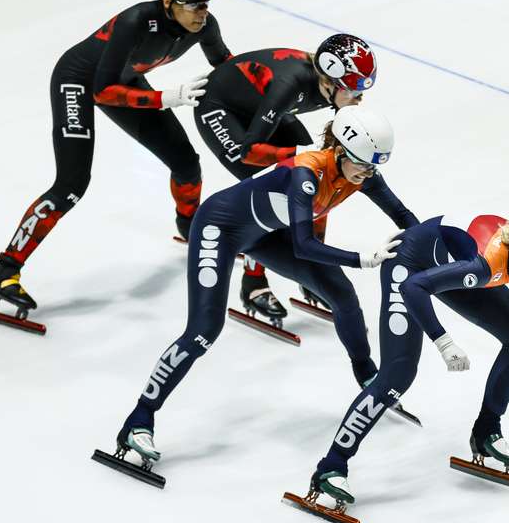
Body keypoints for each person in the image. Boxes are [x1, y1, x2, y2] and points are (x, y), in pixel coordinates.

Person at [106, 106, 417, 471]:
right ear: (341, 152)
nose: (368, 175)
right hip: (219, 229)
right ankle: (139, 420)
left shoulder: (364, 174)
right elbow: (303, 245)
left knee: (343, 296)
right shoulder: (307, 172)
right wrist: (361, 258)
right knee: (204, 330)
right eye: (363, 166)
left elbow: (404, 216)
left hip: (265, 235)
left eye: (374, 168)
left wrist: (432, 250)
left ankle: (367, 375)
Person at [0, 0, 231, 319]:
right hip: (79, 82)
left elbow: (227, 67)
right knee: (71, 184)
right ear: (167, 0)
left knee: (187, 164)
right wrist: (163, 98)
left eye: (206, 4)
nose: (201, 14)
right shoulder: (136, 21)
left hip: (123, 82)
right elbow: (102, 91)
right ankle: (4, 272)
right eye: (193, 5)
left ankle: (189, 227)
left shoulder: (205, 25)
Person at [305, 211, 509, 505]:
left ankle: (486, 430)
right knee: (398, 375)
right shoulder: (485, 266)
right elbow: (414, 287)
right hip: (408, 270)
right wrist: (444, 342)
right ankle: (331, 466)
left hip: (447, 268)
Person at [194, 35, 377, 320]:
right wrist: (294, 156)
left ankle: (310, 273)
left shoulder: (324, 85)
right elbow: (249, 151)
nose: (357, 101)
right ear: (328, 83)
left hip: (259, 107)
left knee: (321, 176)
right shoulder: (290, 86)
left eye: (361, 93)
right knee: (266, 195)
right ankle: (253, 284)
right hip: (220, 108)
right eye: (352, 92)